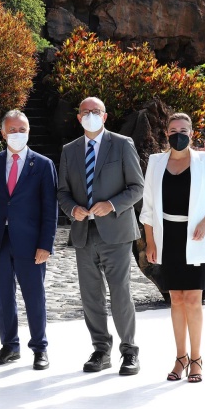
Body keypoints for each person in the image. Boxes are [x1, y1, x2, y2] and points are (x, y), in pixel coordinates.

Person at [57, 97, 144, 375]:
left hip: (116, 232)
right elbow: (62, 192)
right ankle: (101, 350)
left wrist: (112, 205)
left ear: (104, 116)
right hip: (84, 233)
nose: (90, 115)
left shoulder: (122, 144)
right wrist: (72, 209)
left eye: (96, 111)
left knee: (120, 292)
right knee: (90, 296)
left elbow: (137, 187)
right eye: (85, 111)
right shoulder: (69, 150)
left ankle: (129, 351)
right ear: (78, 117)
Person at [139, 112, 205, 383]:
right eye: (174, 130)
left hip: (196, 239)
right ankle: (180, 358)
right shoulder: (156, 162)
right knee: (176, 299)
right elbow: (148, 207)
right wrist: (150, 241)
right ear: (167, 133)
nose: (179, 134)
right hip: (168, 238)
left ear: (192, 133)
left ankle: (197, 358)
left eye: (183, 130)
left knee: (193, 300)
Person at [0, 110, 58, 370]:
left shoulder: (43, 164)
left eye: (22, 129)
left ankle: (40, 348)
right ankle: (9, 346)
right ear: (3, 134)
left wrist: (46, 244)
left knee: (34, 296)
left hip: (31, 243)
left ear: (29, 131)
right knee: (3, 296)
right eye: (12, 130)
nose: (17, 134)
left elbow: (50, 208)